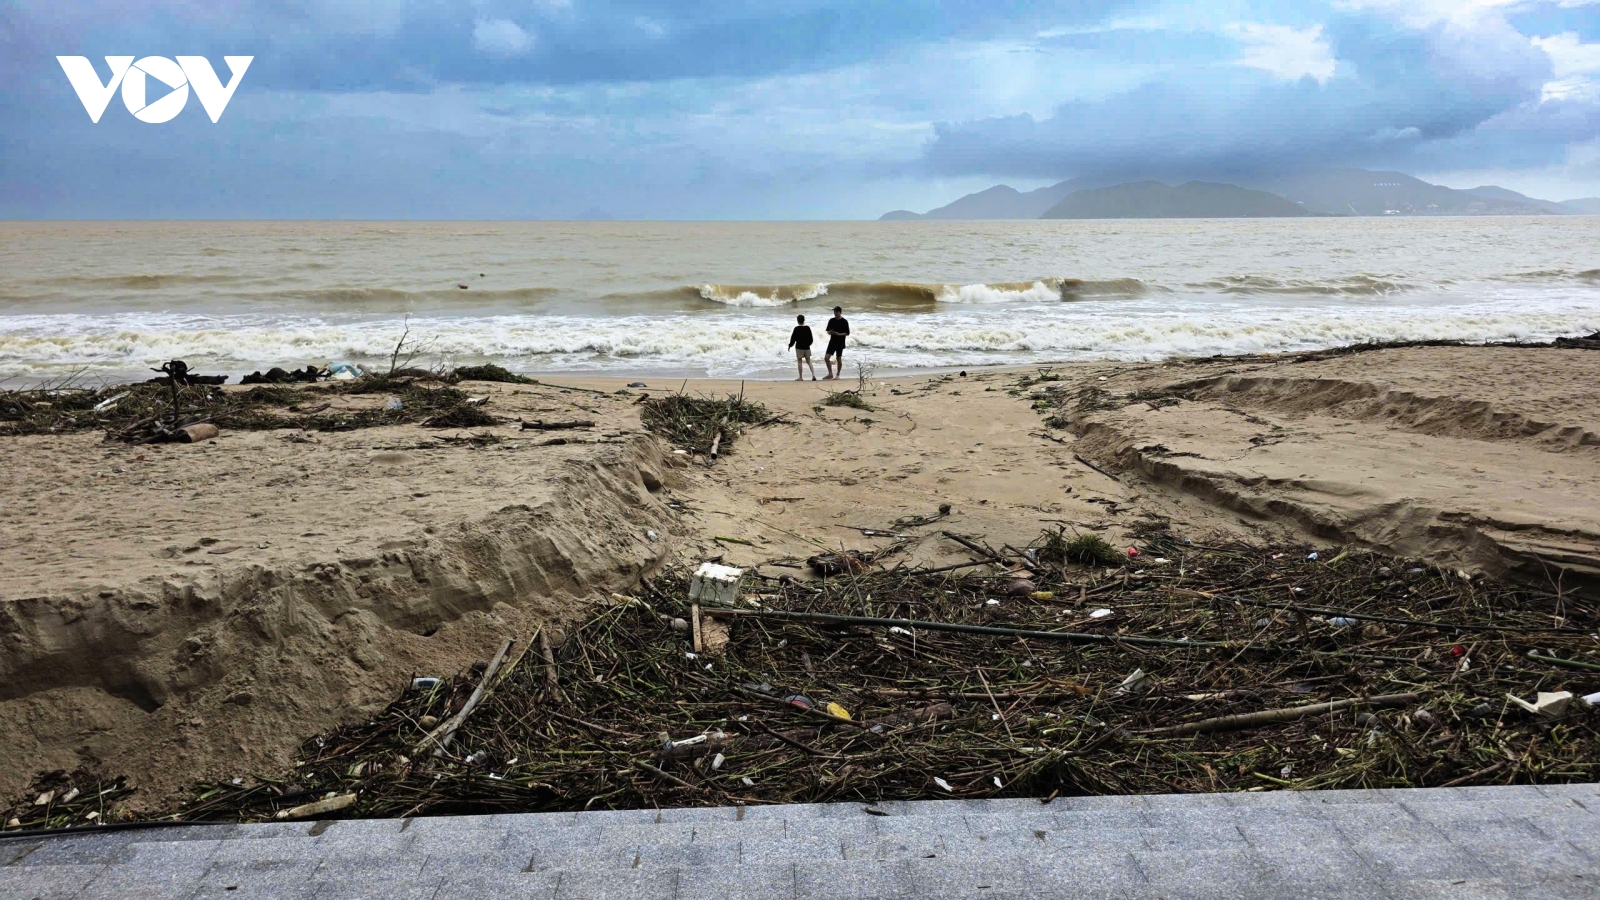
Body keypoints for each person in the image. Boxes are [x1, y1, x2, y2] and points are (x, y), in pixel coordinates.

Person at [823, 305, 850, 380]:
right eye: (834, 312)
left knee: (838, 358)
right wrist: (830, 332)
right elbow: (828, 331)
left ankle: (838, 374)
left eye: (836, 312)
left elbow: (847, 333)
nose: (835, 313)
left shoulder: (844, 321)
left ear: (840, 312)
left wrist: (838, 334)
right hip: (832, 341)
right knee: (826, 358)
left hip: (840, 342)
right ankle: (830, 373)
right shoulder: (831, 320)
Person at [788, 314, 817, 381]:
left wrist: (790, 345)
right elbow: (811, 339)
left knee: (799, 361)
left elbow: (793, 339)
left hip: (799, 347)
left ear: (797, 321)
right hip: (807, 347)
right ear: (804, 320)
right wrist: (808, 344)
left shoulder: (796, 329)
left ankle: (800, 377)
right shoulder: (807, 328)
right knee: (808, 361)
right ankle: (813, 375)